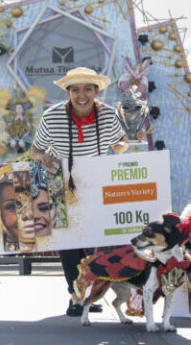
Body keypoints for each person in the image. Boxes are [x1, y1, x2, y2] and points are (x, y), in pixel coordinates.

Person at [31, 67, 127, 316]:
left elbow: (118, 147)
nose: (81, 95)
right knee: (67, 241)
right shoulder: (52, 117)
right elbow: (36, 150)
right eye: (75, 89)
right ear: (68, 92)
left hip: (93, 181)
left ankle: (87, 292)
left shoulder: (107, 115)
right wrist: (43, 159)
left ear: (96, 91)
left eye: (87, 89)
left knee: (87, 239)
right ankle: (75, 296)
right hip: (58, 180)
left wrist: (129, 133)